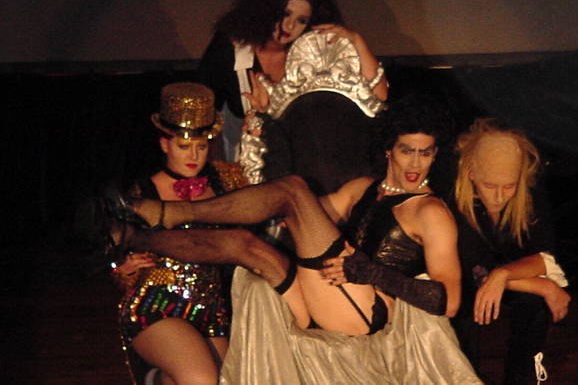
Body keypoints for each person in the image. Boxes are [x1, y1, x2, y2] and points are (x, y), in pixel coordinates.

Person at [111, 94, 481, 383]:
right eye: (407, 151)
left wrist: (371, 273)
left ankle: (171, 212)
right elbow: (288, 215)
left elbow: (448, 302)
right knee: (244, 245)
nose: (416, 163)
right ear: (389, 149)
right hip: (326, 293)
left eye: (425, 153)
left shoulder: (430, 211)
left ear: (436, 154)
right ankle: (130, 235)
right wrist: (262, 125)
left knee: (293, 190)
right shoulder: (364, 189)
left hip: (364, 311)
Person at [110, 82, 247, 385]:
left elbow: (264, 185)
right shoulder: (141, 193)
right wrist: (124, 269)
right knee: (200, 378)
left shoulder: (227, 180)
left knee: (228, 380)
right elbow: (115, 257)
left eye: (201, 146)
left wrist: (258, 125)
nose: (194, 155)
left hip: (211, 310)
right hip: (157, 305)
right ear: (165, 145)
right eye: (184, 147)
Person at [198, 0, 387, 161]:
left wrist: (356, 40)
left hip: (307, 163)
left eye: (301, 20)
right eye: (285, 14)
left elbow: (379, 95)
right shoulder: (230, 49)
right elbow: (202, 116)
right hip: (246, 162)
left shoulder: (314, 54)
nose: (289, 26)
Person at [449, 118, 571, 385]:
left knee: (534, 305)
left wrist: (502, 275)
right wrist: (543, 286)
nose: (499, 196)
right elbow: (473, 268)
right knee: (463, 308)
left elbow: (545, 257)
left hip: (505, 276)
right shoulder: (455, 201)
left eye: (509, 186)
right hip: (462, 282)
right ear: (471, 174)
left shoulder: (531, 195)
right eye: (489, 186)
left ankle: (522, 378)